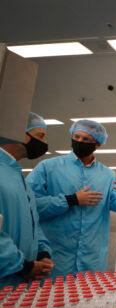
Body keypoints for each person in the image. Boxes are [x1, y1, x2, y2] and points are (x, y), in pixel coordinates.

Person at [26, 120, 116, 276]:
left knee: (91, 297)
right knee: (51, 298)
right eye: (76, 137)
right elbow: (30, 206)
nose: (79, 142)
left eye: (86, 139)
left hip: (92, 259)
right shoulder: (48, 168)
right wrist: (71, 200)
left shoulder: (106, 175)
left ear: (97, 144)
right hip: (55, 256)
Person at [0, 112, 54, 286]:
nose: (44, 143)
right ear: (18, 133)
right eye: (40, 136)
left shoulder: (17, 175)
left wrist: (41, 253)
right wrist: (23, 266)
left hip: (18, 282)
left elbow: (32, 222)